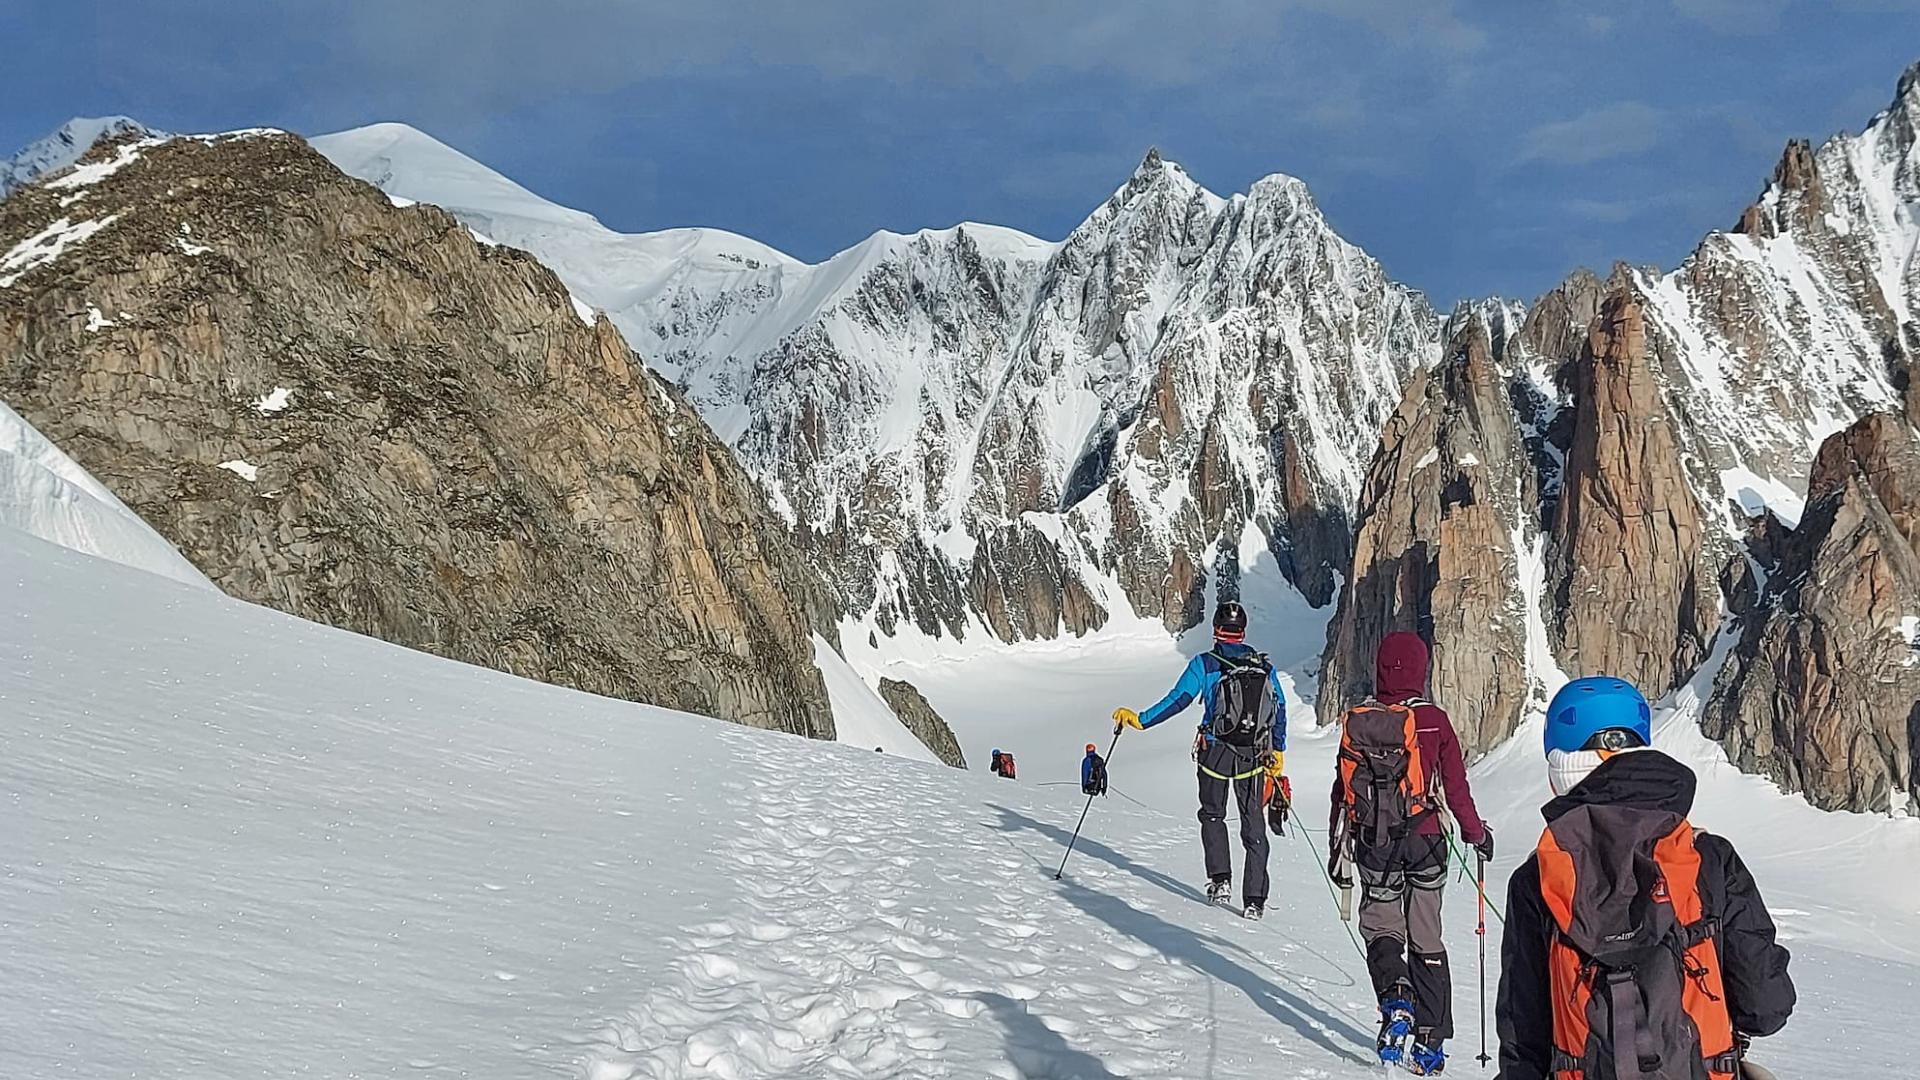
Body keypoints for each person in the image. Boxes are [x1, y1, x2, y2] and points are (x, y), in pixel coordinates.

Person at [1496, 677, 1795, 1080]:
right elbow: (1765, 1007)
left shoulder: (1538, 877)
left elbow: (1523, 1033)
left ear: (1561, 769)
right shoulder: (1709, 857)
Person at [1328, 631, 1489, 1075]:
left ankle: (1396, 999)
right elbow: (1456, 789)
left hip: (1373, 846)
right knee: (1427, 937)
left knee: (1381, 927)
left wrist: (1335, 845)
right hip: (1426, 841)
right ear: (1421, 670)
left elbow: (1341, 792)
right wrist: (1477, 835)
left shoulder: (1358, 721)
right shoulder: (1434, 720)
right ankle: (1430, 1044)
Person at [1113, 600, 1286, 920]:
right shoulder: (1262, 666)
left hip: (1215, 752)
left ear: (1216, 631)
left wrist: (1141, 720)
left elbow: (1178, 700)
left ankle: (1221, 882)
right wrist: (1277, 750)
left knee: (1213, 815)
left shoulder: (1204, 663)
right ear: (1243, 631)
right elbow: (1279, 709)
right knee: (1253, 824)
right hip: (1253, 755)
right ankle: (1255, 901)